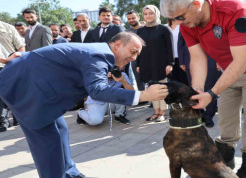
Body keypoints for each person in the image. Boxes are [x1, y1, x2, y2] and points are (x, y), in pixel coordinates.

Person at [0, 32, 168, 178]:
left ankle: (69, 173)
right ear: (117, 44)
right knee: (48, 141)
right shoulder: (100, 55)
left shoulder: (100, 53)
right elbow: (97, 91)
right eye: (133, 52)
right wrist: (144, 95)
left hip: (37, 85)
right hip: (25, 88)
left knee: (61, 129)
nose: (134, 58)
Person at [160, 0, 246, 177]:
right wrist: (197, 90)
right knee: (226, 117)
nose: (179, 23)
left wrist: (211, 93)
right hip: (230, 67)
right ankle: (223, 162)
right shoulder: (188, 22)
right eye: (174, 19)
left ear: (196, 4)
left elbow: (243, 60)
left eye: (181, 17)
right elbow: (197, 58)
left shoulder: (235, 11)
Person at [137, 5, 173, 122]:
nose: (148, 16)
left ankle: (163, 113)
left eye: (151, 13)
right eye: (145, 14)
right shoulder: (140, 30)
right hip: (146, 63)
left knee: (161, 88)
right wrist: (138, 64)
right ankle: (156, 112)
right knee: (152, 88)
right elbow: (138, 48)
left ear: (156, 14)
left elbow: (170, 48)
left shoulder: (163, 29)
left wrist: (170, 63)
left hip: (161, 64)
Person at [0, 21, 26, 132]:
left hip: (9, 66)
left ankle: (19, 118)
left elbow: (21, 47)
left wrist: (18, 62)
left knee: (15, 93)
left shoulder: (7, 27)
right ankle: (3, 122)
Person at [126, 10, 145, 93]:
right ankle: (144, 98)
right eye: (129, 19)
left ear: (138, 17)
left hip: (147, 57)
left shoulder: (145, 29)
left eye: (133, 18)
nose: (131, 20)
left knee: (151, 79)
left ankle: (154, 99)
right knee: (138, 79)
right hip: (134, 59)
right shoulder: (127, 32)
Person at [166, 18, 188, 85]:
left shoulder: (183, 26)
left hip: (181, 59)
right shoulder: (165, 27)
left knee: (184, 82)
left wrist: (183, 60)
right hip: (169, 60)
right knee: (173, 84)